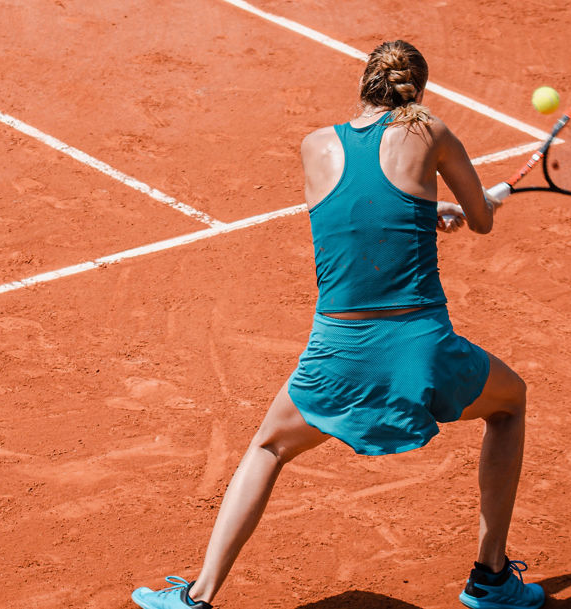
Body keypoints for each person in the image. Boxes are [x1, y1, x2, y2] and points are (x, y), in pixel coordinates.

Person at [130, 40, 544, 609]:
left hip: (339, 353)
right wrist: (468, 209)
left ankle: (197, 595)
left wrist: (428, 212)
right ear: (417, 92)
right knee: (510, 402)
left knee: (269, 448)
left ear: (364, 87)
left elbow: (364, 217)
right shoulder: (432, 132)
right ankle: (491, 577)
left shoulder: (314, 145)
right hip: (423, 351)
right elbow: (479, 222)